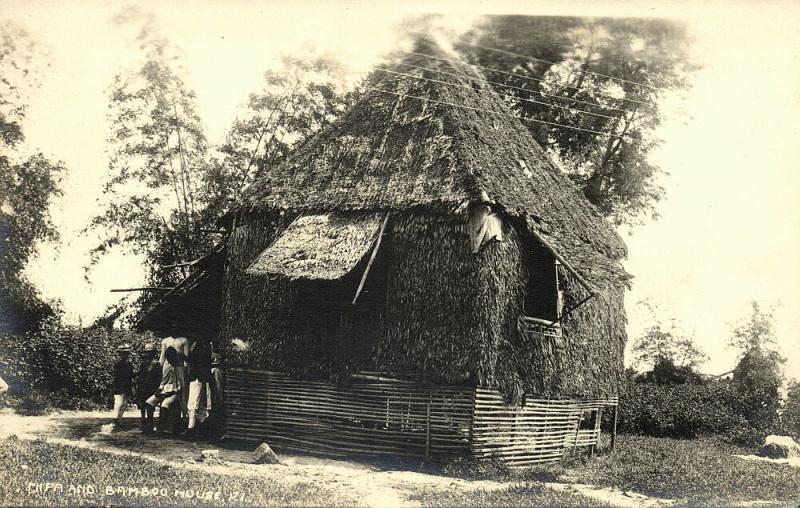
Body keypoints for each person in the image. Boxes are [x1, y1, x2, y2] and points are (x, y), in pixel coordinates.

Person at [146, 346, 185, 434]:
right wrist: (159, 390)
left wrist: (172, 392)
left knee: (164, 404)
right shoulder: (168, 366)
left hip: (174, 393)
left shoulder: (179, 368)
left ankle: (161, 428)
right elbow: (163, 381)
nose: (169, 360)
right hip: (165, 391)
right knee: (149, 402)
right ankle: (149, 426)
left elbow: (181, 386)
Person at [183, 338, 212, 440]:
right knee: (199, 406)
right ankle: (201, 429)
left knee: (192, 404)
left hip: (197, 378)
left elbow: (191, 360)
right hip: (200, 378)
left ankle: (191, 428)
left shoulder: (198, 349)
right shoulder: (204, 347)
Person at [135, 343, 162, 433]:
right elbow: (140, 377)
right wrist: (139, 388)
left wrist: (157, 389)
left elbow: (159, 378)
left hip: (152, 388)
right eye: (147, 352)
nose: (148, 354)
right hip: (143, 388)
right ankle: (143, 424)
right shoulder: (143, 364)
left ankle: (150, 425)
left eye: (151, 352)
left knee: (150, 407)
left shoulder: (157, 364)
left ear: (154, 353)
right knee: (142, 407)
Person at [111, 343, 134, 429]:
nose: (125, 355)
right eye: (123, 353)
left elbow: (131, 376)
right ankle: (115, 420)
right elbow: (116, 377)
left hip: (127, 386)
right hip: (119, 386)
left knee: (124, 404)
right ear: (120, 354)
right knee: (118, 403)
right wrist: (115, 387)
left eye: (127, 353)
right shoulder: (118, 364)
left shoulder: (129, 364)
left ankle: (119, 420)